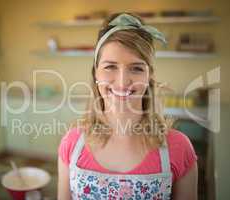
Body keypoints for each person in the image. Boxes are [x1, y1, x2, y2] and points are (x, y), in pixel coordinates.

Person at [58, 12, 198, 200]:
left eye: (137, 68)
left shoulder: (179, 148)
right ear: (96, 74)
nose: (123, 82)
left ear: (148, 77)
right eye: (110, 66)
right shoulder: (72, 144)